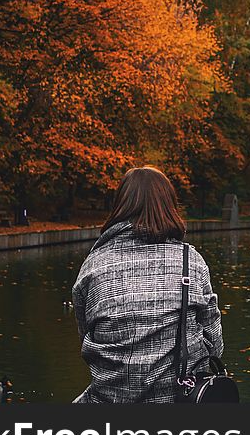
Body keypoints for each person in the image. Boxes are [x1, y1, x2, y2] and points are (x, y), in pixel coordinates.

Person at [71, 166, 223, 403]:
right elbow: (215, 344)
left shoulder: (93, 266)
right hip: (179, 399)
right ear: (169, 205)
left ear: (120, 205)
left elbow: (87, 337)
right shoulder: (190, 261)